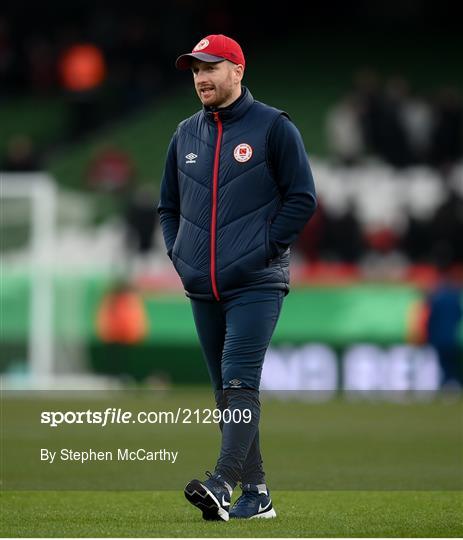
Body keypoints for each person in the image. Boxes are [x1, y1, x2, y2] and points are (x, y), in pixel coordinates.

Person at [157, 34, 317, 521]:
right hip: (202, 285)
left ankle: (222, 482)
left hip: (257, 282)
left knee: (240, 379)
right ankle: (258, 494)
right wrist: (180, 255)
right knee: (225, 393)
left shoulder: (273, 127)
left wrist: (263, 250)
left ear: (237, 71)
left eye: (210, 68)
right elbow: (168, 207)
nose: (201, 78)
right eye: (194, 71)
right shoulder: (185, 133)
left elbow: (302, 197)